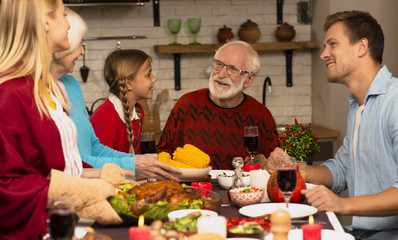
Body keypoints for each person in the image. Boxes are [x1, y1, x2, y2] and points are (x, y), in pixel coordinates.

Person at [0, 1, 132, 238]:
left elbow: (49, 166)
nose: (68, 24)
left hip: (57, 223)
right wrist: (81, 191)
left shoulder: (44, 86)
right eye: (62, 15)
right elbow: (7, 184)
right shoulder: (9, 90)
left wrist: (96, 175)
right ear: (46, 21)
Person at [267, 11, 398, 239]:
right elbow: (341, 170)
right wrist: (293, 168)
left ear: (361, 47)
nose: (323, 55)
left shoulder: (394, 102)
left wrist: (342, 205)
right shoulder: (359, 105)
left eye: (333, 44)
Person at [51, 8, 180, 181]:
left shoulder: (71, 85)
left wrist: (140, 161)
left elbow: (94, 147)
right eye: (79, 43)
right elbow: (71, 164)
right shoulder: (32, 92)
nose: (82, 52)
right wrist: (135, 165)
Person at [157, 40, 279, 170]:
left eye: (232, 69)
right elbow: (163, 153)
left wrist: (264, 165)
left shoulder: (261, 115)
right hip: (189, 189)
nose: (221, 74)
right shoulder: (186, 105)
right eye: (219, 64)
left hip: (243, 189)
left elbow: (275, 167)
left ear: (249, 79)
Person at [90, 49, 154, 155]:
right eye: (148, 75)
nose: (154, 79)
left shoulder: (138, 112)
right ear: (128, 83)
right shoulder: (106, 115)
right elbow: (102, 163)